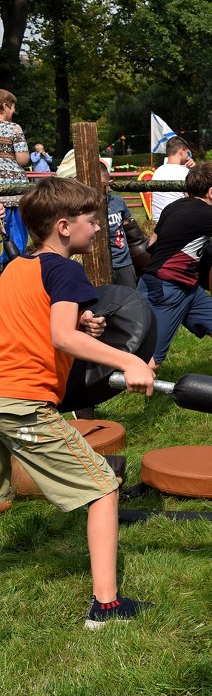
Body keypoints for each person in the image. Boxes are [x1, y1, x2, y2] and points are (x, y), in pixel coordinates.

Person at [0, 177, 155, 626]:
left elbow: (37, 321)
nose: (98, 229)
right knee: (104, 487)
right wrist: (130, 362)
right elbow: (60, 335)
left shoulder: (18, 267)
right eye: (91, 222)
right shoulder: (66, 269)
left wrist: (81, 320)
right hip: (22, 401)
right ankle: (106, 607)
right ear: (65, 227)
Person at [139, 162, 212, 379]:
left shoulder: (174, 206)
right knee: (151, 362)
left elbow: (151, 245)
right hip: (166, 289)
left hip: (187, 287)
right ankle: (97, 396)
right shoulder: (207, 213)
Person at [100, 162, 137, 288]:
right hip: (102, 263)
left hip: (123, 261)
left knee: (131, 298)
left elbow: (128, 226)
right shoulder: (88, 207)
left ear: (108, 183)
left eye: (101, 185)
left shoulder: (118, 201)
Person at [149, 136, 195, 222]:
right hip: (177, 222)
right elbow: (195, 199)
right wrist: (194, 170)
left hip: (158, 222)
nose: (188, 157)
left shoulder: (158, 171)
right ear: (181, 152)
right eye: (187, 153)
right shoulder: (184, 172)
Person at [0, 89, 31, 186]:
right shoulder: (13, 128)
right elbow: (23, 159)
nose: (14, 111)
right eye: (13, 107)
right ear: (5, 107)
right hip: (11, 184)